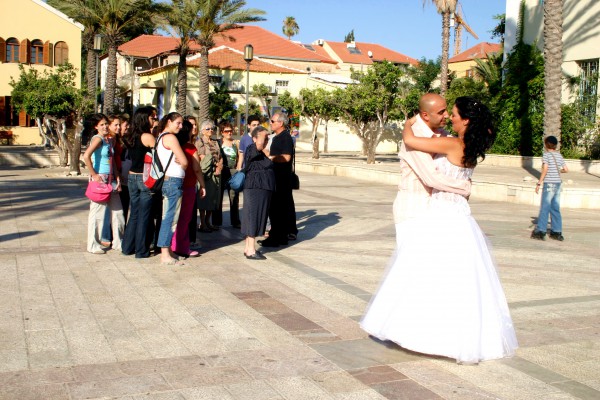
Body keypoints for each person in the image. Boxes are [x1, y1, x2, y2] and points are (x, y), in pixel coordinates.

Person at [361, 97, 518, 364]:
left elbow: (411, 141)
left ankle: (426, 334)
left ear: (466, 120)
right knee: (458, 275)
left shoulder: (452, 143)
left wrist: (411, 121)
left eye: (454, 114)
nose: (450, 117)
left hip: (442, 213)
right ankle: (454, 335)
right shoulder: (470, 145)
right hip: (460, 216)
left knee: (428, 271)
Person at [394, 94, 471, 237]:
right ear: (425, 115)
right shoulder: (414, 135)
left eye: (447, 110)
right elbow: (431, 178)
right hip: (413, 210)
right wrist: (464, 187)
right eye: (441, 112)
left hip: (435, 211)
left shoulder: (444, 135)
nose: (447, 115)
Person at [82, 113, 125, 254]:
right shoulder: (98, 139)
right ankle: (93, 244)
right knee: (97, 213)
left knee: (118, 212)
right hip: (100, 179)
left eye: (106, 123)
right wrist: (94, 174)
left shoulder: (109, 140)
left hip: (111, 179)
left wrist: (117, 176)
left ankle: (118, 242)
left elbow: (112, 160)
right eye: (102, 124)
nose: (105, 126)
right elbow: (86, 156)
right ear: (96, 127)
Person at [121, 107, 157, 258]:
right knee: (144, 215)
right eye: (152, 117)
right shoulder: (148, 137)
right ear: (145, 118)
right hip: (144, 178)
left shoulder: (131, 135)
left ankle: (128, 247)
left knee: (134, 213)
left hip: (131, 177)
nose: (154, 120)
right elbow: (158, 156)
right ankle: (142, 250)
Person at [258, 112, 297, 247]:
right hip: (275, 178)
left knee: (278, 210)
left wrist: (271, 158)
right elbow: (274, 154)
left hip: (281, 180)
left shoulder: (285, 137)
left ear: (281, 123)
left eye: (273, 121)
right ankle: (277, 236)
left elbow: (286, 157)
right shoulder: (278, 137)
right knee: (275, 210)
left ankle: (278, 238)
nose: (271, 123)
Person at [156, 112, 188, 265]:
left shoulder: (160, 137)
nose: (180, 127)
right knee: (170, 218)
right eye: (178, 123)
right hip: (173, 182)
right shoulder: (170, 137)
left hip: (169, 181)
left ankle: (168, 251)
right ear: (169, 121)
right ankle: (164, 253)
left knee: (169, 217)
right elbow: (185, 161)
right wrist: (182, 160)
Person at [171, 120, 206, 258]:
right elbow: (197, 169)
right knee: (184, 218)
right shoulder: (190, 148)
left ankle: (170, 245)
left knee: (172, 217)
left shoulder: (171, 146)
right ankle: (181, 246)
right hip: (188, 186)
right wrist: (202, 185)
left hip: (172, 184)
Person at [242, 126, 275, 259]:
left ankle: (248, 248)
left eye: (268, 137)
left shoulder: (261, 152)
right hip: (255, 188)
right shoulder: (252, 148)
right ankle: (251, 249)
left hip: (262, 188)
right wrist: (262, 138)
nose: (266, 140)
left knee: (256, 216)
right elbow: (259, 145)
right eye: (264, 137)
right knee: (253, 217)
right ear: (254, 138)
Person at [531, 135, 568, 241]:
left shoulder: (546, 155)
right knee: (555, 207)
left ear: (546, 144)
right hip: (557, 184)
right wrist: (558, 172)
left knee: (545, 207)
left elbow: (545, 169)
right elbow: (566, 169)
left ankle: (541, 230)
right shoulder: (559, 155)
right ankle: (557, 231)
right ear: (555, 145)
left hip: (549, 184)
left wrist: (539, 183)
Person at [196, 120, 223, 232]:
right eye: (207, 128)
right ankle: (202, 223)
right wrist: (216, 165)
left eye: (212, 128)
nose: (210, 130)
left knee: (213, 199)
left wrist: (219, 166)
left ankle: (208, 221)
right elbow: (202, 157)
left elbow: (220, 156)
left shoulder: (216, 142)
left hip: (216, 173)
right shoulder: (200, 142)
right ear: (202, 131)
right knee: (204, 200)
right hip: (206, 173)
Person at [216, 121, 241, 228]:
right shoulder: (218, 143)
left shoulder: (236, 143)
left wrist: (238, 168)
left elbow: (240, 156)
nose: (229, 133)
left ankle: (235, 221)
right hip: (222, 171)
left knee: (234, 196)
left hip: (233, 171)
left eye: (231, 131)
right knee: (218, 196)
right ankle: (216, 222)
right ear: (222, 132)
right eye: (227, 131)